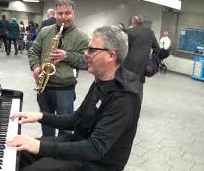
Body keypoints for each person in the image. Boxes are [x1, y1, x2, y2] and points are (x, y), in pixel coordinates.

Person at [7, 25, 142, 171]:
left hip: (97, 163)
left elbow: (95, 148)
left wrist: (39, 146)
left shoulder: (124, 97)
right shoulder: (101, 81)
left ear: (111, 56)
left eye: (92, 50)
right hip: (80, 144)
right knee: (19, 151)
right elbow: (77, 119)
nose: (85, 54)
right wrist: (40, 116)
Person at [28, 0, 89, 137]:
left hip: (65, 89)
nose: (63, 17)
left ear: (73, 13)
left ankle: (61, 156)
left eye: (67, 13)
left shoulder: (82, 37)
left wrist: (67, 56)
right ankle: (46, 152)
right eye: (60, 13)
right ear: (55, 13)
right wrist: (36, 67)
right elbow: (33, 51)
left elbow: (87, 62)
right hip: (44, 87)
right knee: (46, 124)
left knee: (65, 128)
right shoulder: (45, 31)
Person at [123, 15, 160, 101]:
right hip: (142, 65)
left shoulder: (129, 32)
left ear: (133, 22)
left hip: (129, 63)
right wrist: (151, 60)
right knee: (139, 85)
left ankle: (125, 103)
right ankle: (137, 105)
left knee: (126, 83)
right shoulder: (150, 32)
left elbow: (123, 47)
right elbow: (157, 48)